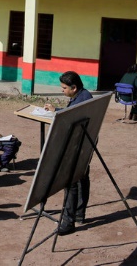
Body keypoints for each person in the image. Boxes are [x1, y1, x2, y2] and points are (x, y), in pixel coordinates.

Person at [44, 71, 94, 235]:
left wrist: (56, 113)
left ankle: (68, 221)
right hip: (85, 145)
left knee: (71, 183)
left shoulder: (81, 101)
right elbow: (71, 113)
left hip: (77, 147)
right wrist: (57, 109)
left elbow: (71, 118)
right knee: (82, 178)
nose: (62, 90)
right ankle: (79, 214)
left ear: (74, 87)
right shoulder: (84, 95)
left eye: (64, 88)